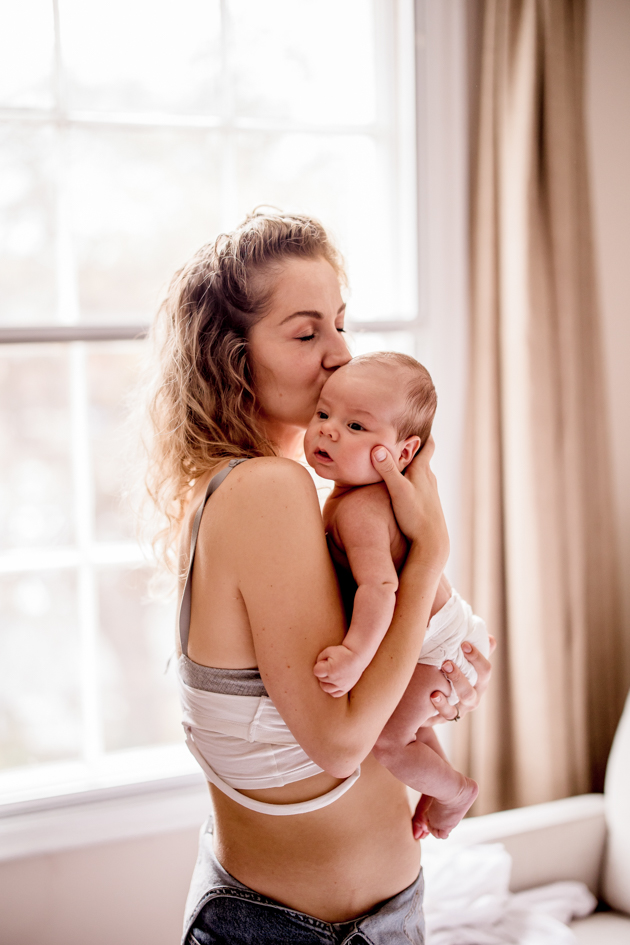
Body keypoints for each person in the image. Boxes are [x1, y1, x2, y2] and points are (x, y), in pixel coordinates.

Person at [143, 210, 493, 944]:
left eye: (340, 322)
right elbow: (339, 744)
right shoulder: (266, 490)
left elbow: (367, 689)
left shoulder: (285, 489)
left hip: (367, 916)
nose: (340, 353)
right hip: (299, 930)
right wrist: (430, 552)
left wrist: (443, 673)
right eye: (306, 335)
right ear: (233, 360)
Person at [304, 352, 490, 840]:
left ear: (401, 453)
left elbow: (381, 588)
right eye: (323, 413)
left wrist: (354, 655)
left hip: (439, 645)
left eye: (356, 426)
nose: (328, 431)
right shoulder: (352, 497)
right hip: (444, 631)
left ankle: (456, 791)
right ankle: (436, 784)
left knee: (388, 741)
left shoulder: (360, 509)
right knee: (408, 723)